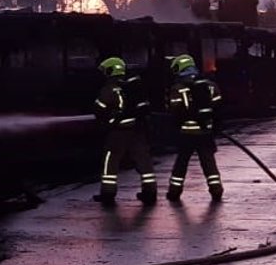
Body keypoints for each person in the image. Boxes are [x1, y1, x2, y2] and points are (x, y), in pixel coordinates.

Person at [92, 55, 157, 205]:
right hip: (137, 129)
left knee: (111, 161)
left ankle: (108, 194)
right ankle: (150, 192)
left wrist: (105, 119)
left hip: (118, 132)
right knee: (143, 160)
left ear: (110, 71)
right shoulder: (133, 86)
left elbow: (99, 109)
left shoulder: (110, 89)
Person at [164, 53, 223, 202]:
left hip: (187, 133)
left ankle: (174, 192)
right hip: (205, 132)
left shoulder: (178, 88)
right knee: (209, 162)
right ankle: (216, 190)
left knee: (181, 163)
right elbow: (218, 106)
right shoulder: (209, 85)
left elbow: (174, 110)